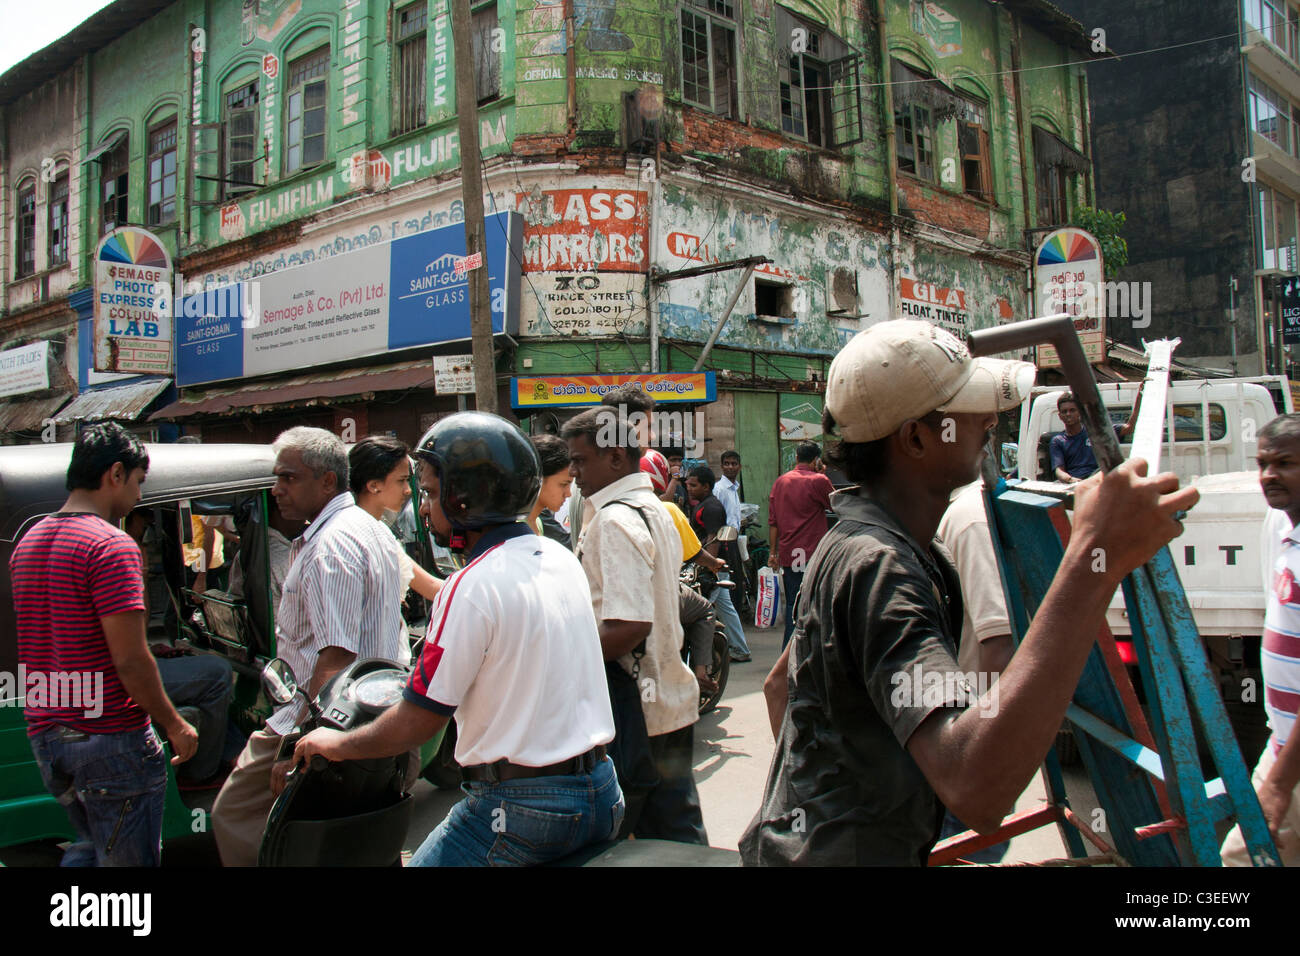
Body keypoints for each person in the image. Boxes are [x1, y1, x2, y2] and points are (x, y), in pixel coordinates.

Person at [740, 319, 1197, 866]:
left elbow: (777, 687)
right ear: (914, 438)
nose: (990, 420)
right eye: (971, 407)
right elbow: (975, 789)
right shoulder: (879, 567)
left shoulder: (859, 538)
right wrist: (1094, 560)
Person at [296, 412, 622, 866]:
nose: (423, 508)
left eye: (430, 492)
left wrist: (337, 744)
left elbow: (420, 720)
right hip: (602, 791)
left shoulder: (469, 585)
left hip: (519, 809)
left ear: (466, 497)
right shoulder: (556, 556)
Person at [212, 426, 409, 866]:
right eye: (277, 478)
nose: (277, 489)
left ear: (327, 481)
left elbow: (336, 658)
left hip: (323, 720)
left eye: (289, 478)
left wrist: (298, 743)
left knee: (233, 817)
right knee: (353, 840)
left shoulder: (331, 544)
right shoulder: (364, 526)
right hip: (370, 717)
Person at [11, 422, 198, 866]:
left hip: (49, 736)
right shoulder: (110, 545)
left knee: (92, 848)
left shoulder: (28, 541)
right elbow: (131, 660)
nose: (138, 495)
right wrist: (174, 724)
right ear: (116, 473)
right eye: (138, 482)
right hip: (109, 739)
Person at [563, 406, 708, 844]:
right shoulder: (654, 509)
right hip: (669, 700)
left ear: (616, 457)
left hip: (635, 708)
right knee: (675, 831)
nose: (573, 472)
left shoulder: (615, 519)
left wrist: (564, 657)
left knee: (634, 838)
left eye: (581, 460)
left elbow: (628, 626)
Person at [1222, 413, 1300, 865]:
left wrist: (1278, 785)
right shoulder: (1281, 529)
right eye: (1263, 463)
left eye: (1285, 463)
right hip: (1283, 744)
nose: (1269, 475)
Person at [933, 476, 1017, 862]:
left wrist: (987, 755)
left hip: (969, 739)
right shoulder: (960, 514)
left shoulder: (970, 519)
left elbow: (998, 642)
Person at [124, 508, 237, 789]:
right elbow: (129, 642)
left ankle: (232, 754)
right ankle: (202, 773)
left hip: (120, 666)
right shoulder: (120, 550)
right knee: (218, 672)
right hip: (116, 678)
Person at [349, 435, 443, 600]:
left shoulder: (380, 532)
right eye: (402, 481)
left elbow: (432, 587)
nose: (407, 490)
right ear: (374, 485)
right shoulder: (354, 538)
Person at [767, 441, 834, 648]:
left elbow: (773, 522)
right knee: (818, 603)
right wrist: (823, 473)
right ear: (816, 460)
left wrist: (773, 553)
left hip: (790, 553)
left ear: (796, 457)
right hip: (814, 553)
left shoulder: (781, 482)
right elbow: (836, 504)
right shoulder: (819, 480)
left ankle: (789, 651)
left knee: (793, 606)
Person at [686, 465, 752, 663]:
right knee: (725, 607)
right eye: (688, 484)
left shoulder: (711, 507)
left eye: (693, 485)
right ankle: (739, 648)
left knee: (704, 608)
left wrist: (709, 566)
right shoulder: (703, 504)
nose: (689, 488)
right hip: (711, 567)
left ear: (706, 487)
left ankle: (709, 654)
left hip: (711, 569)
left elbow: (713, 539)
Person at [1051, 386, 1142, 483]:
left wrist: (1140, 396)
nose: (1068, 414)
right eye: (1064, 411)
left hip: (1097, 480)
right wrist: (1071, 480)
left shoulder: (1095, 431)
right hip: (1074, 483)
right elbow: (1059, 470)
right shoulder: (1057, 441)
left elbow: (1129, 428)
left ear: (1080, 413)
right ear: (1060, 416)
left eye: (1072, 410)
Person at [528, 434, 574, 549]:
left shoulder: (537, 522)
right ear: (539, 479)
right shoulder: (512, 528)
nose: (568, 494)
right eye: (563, 484)